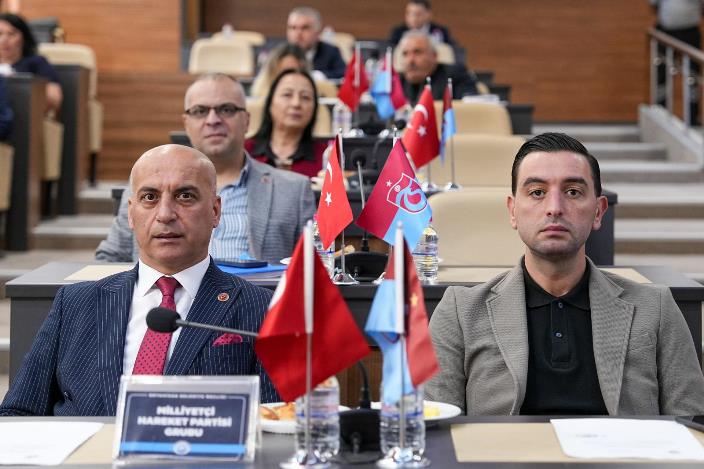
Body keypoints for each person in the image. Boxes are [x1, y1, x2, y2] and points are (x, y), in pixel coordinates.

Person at [426, 132, 704, 416]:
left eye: (572, 192)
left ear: (598, 212)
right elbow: (434, 427)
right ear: (513, 211)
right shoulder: (460, 312)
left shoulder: (656, 309)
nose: (554, 208)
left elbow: (693, 425)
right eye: (537, 192)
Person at [0, 145, 280, 416]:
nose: (165, 214)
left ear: (215, 211)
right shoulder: (74, 304)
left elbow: (278, 420)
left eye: (185, 196)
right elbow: (18, 412)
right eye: (150, 197)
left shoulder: (260, 308)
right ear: (131, 214)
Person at [95, 73, 315, 263]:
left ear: (247, 120)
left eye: (226, 109)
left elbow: (314, 269)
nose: (213, 120)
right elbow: (109, 260)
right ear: (186, 123)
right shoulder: (145, 185)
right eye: (200, 111)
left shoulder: (293, 190)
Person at [246, 69, 325, 178]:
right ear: (270, 103)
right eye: (287, 95)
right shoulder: (243, 152)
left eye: (305, 97)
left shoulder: (326, 157)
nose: (296, 103)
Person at [0, 13, 62, 113]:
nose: (4, 40)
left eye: (11, 34)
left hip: (24, 114)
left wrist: (18, 83)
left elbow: (55, 99)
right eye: (0, 34)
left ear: (23, 38)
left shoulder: (36, 62)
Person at [398, 30, 477, 106]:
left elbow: (470, 109)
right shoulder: (397, 82)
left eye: (417, 52)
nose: (410, 60)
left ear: (434, 56)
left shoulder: (456, 76)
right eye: (405, 54)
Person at [286, 6, 346, 79]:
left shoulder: (331, 51)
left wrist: (319, 75)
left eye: (305, 28)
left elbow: (343, 73)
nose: (298, 33)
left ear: (318, 31)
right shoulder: (281, 53)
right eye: (293, 28)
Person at [388, 0, 456, 47]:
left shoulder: (441, 31)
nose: (414, 18)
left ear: (428, 15)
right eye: (410, 14)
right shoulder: (398, 32)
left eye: (418, 14)